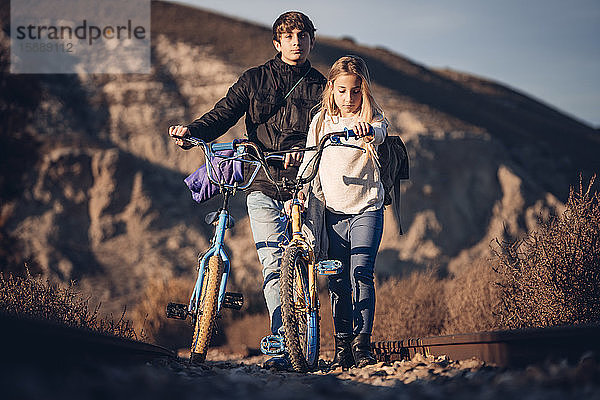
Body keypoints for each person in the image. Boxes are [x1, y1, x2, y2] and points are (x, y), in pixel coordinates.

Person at [168, 11, 326, 369]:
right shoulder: (255, 79)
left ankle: (320, 332)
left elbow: (331, 124)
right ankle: (284, 340)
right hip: (262, 182)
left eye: (303, 35)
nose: (296, 41)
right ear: (277, 42)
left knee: (311, 259)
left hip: (305, 183)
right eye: (289, 36)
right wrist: (192, 132)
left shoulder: (322, 86)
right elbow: (223, 113)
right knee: (272, 262)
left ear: (311, 41)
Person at [295, 55, 387, 368]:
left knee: (361, 273)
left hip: (366, 209)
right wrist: (301, 191)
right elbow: (309, 161)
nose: (349, 98)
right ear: (331, 88)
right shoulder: (320, 121)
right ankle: (342, 348)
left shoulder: (373, 118)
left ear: (365, 91)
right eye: (343, 90)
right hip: (331, 214)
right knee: (336, 283)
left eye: (356, 91)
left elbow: (381, 132)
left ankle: (363, 347)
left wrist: (369, 132)